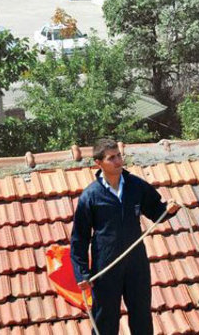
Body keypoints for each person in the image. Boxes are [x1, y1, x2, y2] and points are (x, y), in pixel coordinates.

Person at [70, 138, 180, 334]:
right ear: (98, 163)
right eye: (111, 158)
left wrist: (169, 209)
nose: (118, 161)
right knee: (105, 319)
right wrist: (82, 274)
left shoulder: (136, 186)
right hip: (105, 266)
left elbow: (156, 211)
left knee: (141, 316)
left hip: (136, 263)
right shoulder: (91, 196)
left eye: (119, 156)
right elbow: (79, 239)